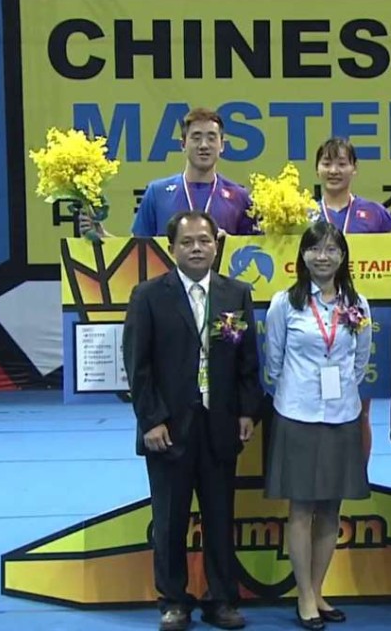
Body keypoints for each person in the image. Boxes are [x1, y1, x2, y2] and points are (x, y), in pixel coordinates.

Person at [123, 210, 262, 631]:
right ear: (172, 249)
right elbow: (137, 365)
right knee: (169, 520)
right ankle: (173, 600)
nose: (197, 248)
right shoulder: (148, 295)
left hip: (220, 426)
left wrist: (246, 411)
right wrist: (151, 420)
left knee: (221, 516)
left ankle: (222, 600)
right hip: (168, 429)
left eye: (205, 240)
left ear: (217, 245)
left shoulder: (235, 293)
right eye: (188, 242)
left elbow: (246, 362)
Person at [263, 220, 372, 630]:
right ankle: (303, 596)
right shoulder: (284, 303)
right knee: (302, 509)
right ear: (302, 256)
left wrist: (340, 388)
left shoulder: (357, 303)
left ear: (343, 256)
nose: (322, 256)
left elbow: (360, 360)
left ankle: (319, 589)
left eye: (331, 249)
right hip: (298, 414)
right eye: (314, 249)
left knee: (331, 509)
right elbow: (273, 360)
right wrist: (300, 386)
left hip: (341, 414)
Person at [313, 137, 391, 467]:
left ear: (354, 168)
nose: (334, 170)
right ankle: (318, 474)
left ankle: (357, 476)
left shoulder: (374, 213)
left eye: (342, 163)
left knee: (360, 407)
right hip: (313, 321)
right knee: (313, 403)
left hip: (358, 320)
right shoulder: (301, 214)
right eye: (327, 163)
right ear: (317, 169)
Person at [80, 107, 258, 239]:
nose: (204, 145)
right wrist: (103, 236)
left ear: (222, 145)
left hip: (222, 288)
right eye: (196, 138)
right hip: (167, 288)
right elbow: (138, 252)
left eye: (211, 138)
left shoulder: (240, 197)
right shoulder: (157, 193)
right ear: (183, 144)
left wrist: (231, 244)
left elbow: (254, 253)